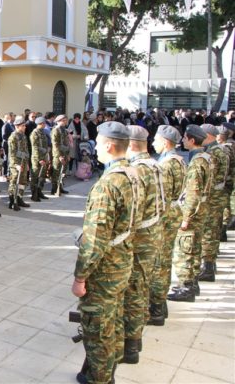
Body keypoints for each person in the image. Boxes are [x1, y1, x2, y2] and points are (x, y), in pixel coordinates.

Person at [72, 122, 137, 384]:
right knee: (113, 319)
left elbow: (95, 240)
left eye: (98, 143)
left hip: (105, 268)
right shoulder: (133, 174)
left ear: (109, 146)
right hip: (122, 259)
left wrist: (80, 277)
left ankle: (99, 378)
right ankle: (108, 370)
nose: (95, 147)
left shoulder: (108, 185)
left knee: (98, 327)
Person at [122, 125, 165, 364]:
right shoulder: (155, 165)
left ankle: (130, 345)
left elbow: (132, 212)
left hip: (140, 238)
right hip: (153, 232)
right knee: (142, 286)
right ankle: (135, 338)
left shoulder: (136, 170)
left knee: (133, 291)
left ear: (130, 144)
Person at [167, 125, 214, 303]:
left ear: (192, 140)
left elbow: (193, 192)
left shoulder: (196, 162)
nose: (183, 141)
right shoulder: (206, 157)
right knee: (194, 247)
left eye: (185, 138)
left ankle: (186, 287)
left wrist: (186, 217)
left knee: (185, 249)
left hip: (193, 211)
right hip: (202, 209)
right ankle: (192, 283)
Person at [148, 125, 186, 326]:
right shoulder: (179, 160)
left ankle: (156, 308)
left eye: (156, 140)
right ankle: (160, 305)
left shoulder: (166, 165)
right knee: (164, 260)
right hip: (173, 211)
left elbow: (161, 195)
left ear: (165, 142)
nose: (153, 143)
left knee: (158, 263)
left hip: (165, 215)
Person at [197, 124, 229, 282]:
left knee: (209, 231)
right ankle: (210, 264)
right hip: (218, 195)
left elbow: (210, 177)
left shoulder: (213, 152)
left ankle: (208, 267)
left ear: (208, 135)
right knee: (213, 230)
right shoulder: (219, 150)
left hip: (212, 197)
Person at [7, 115, 31, 211]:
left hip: (23, 162)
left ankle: (19, 198)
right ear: (17, 126)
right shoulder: (13, 137)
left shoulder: (23, 136)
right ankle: (12, 201)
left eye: (24, 125)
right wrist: (16, 164)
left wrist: (27, 163)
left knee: (22, 182)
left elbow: (25, 150)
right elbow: (12, 153)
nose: (25, 127)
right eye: (23, 126)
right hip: (16, 164)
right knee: (14, 182)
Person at [29, 116, 50, 202]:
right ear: (40, 124)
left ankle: (39, 191)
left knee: (42, 176)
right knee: (35, 176)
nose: (45, 125)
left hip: (44, 157)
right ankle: (34, 193)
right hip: (37, 158)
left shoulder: (42, 132)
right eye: (44, 123)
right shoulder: (35, 133)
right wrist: (39, 159)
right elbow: (35, 147)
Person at [51, 114, 70, 195]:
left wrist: (68, 154)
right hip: (58, 155)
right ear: (58, 121)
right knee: (56, 172)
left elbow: (66, 143)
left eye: (66, 120)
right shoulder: (55, 130)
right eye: (64, 120)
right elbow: (55, 144)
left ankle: (60, 187)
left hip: (64, 153)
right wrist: (59, 156)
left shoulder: (64, 130)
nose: (65, 122)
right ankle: (54, 189)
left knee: (63, 172)